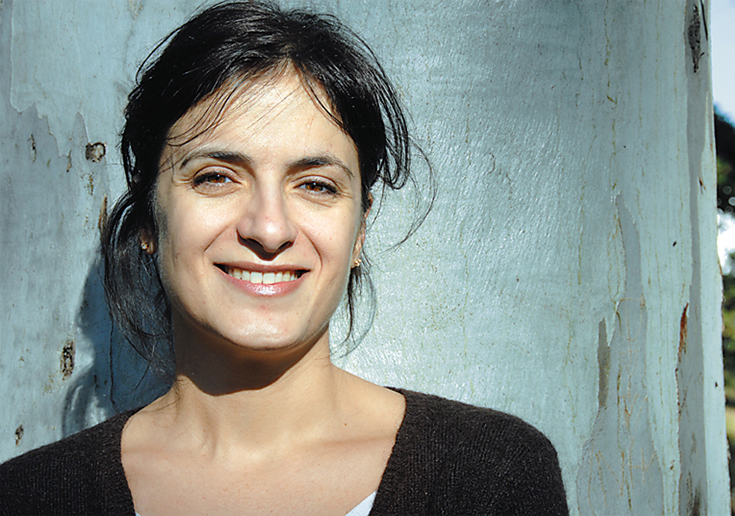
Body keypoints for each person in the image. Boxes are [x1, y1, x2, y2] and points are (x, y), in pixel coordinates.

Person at [0, 2, 567, 514]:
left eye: (316, 185)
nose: (269, 229)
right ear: (149, 220)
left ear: (359, 230)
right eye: (216, 177)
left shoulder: (490, 477)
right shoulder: (30, 497)